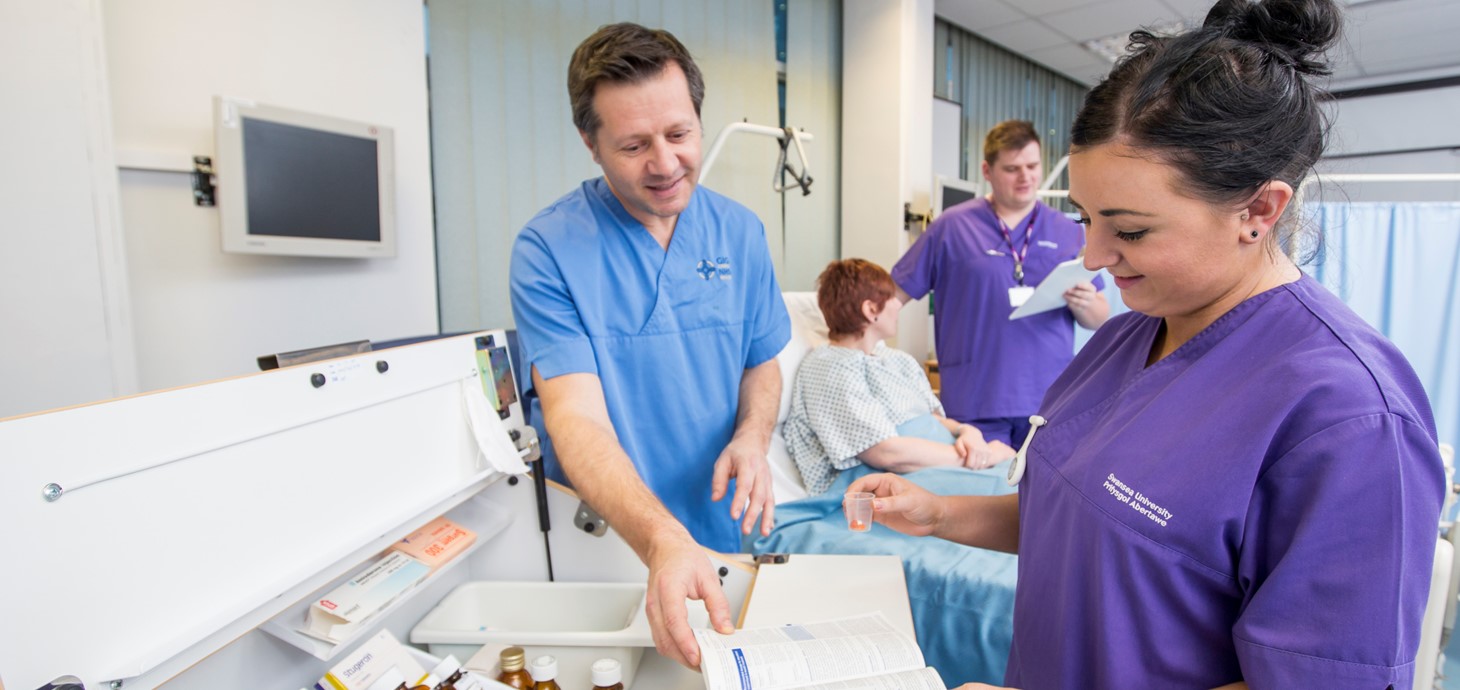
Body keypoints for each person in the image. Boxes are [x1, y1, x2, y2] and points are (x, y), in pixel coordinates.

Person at [853, 0, 1447, 687]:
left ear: (1258, 210)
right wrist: (939, 512)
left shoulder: (1348, 420)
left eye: (1129, 230)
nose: (1095, 255)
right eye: (1085, 218)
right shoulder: (1128, 336)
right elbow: (1083, 525)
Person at [508, 23, 791, 670]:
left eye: (679, 135)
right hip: (615, 541)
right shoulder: (549, 250)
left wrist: (753, 436)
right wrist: (662, 538)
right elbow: (573, 417)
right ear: (590, 143)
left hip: (724, 530)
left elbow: (760, 361)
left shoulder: (739, 232)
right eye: (634, 145)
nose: (664, 164)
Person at [892, 120, 1110, 448]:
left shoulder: (1067, 230)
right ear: (987, 170)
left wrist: (1086, 303)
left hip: (1046, 400)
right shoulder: (952, 227)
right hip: (975, 400)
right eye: (1012, 168)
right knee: (977, 494)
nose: (1026, 177)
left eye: (1033, 166)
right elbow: (893, 297)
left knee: (1037, 496)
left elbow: (1100, 317)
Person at [782, 259, 1016, 495]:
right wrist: (982, 458)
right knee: (1011, 494)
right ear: (871, 309)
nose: (897, 305)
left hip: (938, 464)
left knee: (1024, 479)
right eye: (892, 297)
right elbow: (886, 453)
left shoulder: (897, 360)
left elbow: (933, 419)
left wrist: (968, 433)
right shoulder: (829, 368)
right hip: (886, 478)